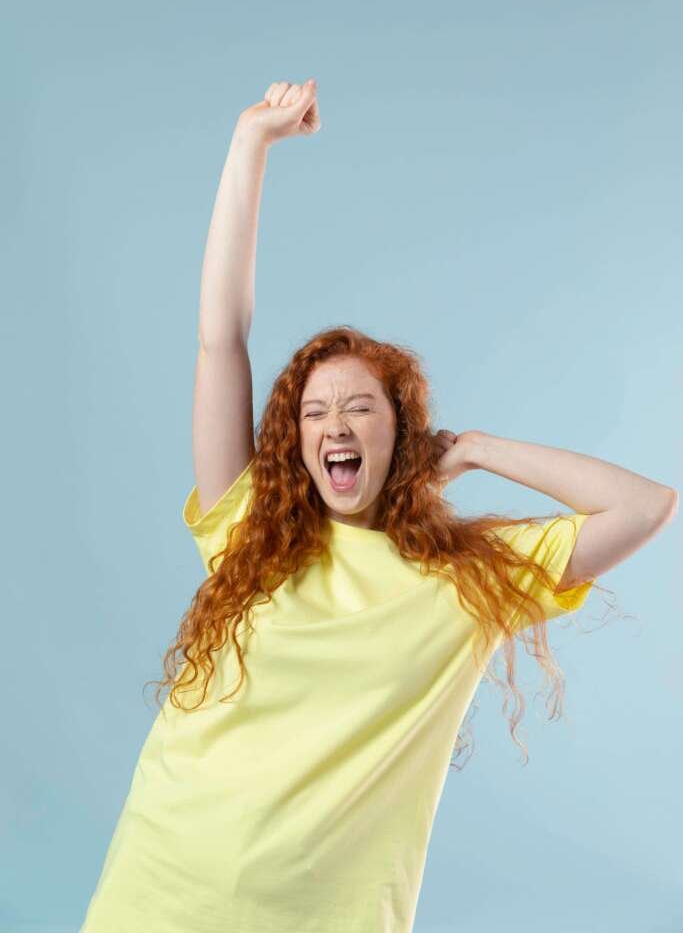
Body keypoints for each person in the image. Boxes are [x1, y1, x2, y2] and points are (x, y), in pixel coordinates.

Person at [80, 78, 678, 933]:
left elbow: (644, 505)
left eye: (360, 406)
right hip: (159, 892)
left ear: (402, 433)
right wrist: (250, 143)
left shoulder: (466, 581)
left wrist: (474, 449)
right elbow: (222, 337)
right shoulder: (250, 530)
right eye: (313, 411)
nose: (334, 424)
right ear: (294, 441)